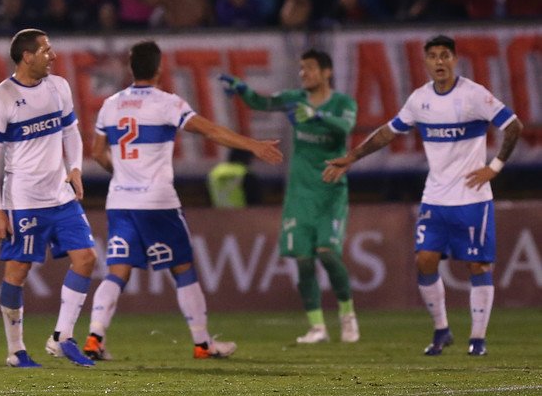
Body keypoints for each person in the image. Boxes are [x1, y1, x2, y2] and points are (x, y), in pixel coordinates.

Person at [82, 40, 283, 361]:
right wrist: (252, 145)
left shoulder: (110, 105)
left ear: (131, 68)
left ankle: (95, 337)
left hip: (120, 202)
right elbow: (210, 130)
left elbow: (96, 153)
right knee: (183, 269)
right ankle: (203, 343)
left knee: (116, 271)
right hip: (158, 203)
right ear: (159, 68)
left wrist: (121, 171)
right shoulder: (168, 104)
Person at [324, 35, 523, 356]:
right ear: (426, 62)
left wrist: (495, 166)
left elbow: (513, 125)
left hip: (472, 198)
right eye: (433, 56)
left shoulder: (473, 95)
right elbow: (388, 132)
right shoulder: (420, 100)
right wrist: (352, 157)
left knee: (477, 266)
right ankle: (442, 330)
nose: (439, 62)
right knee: (424, 260)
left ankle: (478, 339)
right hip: (435, 198)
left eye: (445, 55)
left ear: (455, 60)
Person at [219, 49, 361, 345]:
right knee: (303, 260)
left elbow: (344, 129)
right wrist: (242, 88)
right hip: (299, 192)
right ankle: (317, 327)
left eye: (309, 68)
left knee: (328, 254)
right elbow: (263, 102)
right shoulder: (295, 99)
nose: (304, 74)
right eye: (301, 69)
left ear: (326, 72)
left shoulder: (343, 103)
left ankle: (347, 316)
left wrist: (317, 114)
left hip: (330, 192)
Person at [0, 28, 97, 368]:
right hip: (24, 200)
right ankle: (16, 350)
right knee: (17, 271)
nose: (54, 55)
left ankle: (62, 337)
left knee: (86, 258)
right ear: (27, 56)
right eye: (46, 50)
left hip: (61, 194)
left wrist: (75, 168)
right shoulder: (1, 99)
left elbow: (71, 131)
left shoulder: (59, 87)